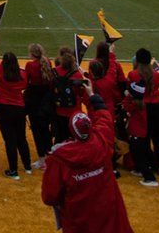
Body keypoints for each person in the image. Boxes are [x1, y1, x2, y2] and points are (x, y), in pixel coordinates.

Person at [42, 81, 134, 233]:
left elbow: (49, 197)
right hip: (107, 213)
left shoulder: (60, 158)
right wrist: (91, 94)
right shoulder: (102, 141)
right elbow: (104, 117)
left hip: (80, 219)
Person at [0, 32, 31, 179]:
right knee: (21, 138)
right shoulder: (22, 75)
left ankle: (13, 170)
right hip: (19, 108)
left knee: (10, 140)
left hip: (3, 108)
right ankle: (27, 165)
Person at [127, 48, 159, 176]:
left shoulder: (133, 74)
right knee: (157, 137)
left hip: (143, 107)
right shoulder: (157, 74)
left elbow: (131, 92)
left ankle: (147, 163)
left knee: (144, 137)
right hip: (156, 106)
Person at [24, 43, 55, 170]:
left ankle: (42, 158)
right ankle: (49, 156)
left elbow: (26, 82)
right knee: (46, 131)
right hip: (47, 102)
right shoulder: (47, 61)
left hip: (34, 102)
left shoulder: (30, 65)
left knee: (37, 131)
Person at [123, 81, 157, 187]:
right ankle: (146, 169)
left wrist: (127, 96)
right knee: (143, 153)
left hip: (137, 135)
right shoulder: (141, 103)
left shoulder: (134, 104)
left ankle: (150, 178)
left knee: (139, 157)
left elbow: (126, 106)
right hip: (142, 134)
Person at [54, 48, 89, 144]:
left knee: (59, 137)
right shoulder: (77, 74)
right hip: (74, 111)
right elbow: (82, 93)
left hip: (59, 109)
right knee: (73, 138)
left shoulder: (55, 71)